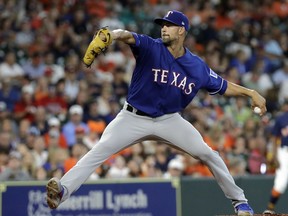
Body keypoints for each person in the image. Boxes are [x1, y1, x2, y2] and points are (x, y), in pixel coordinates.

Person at [46, 10, 266, 216]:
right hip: (132, 117)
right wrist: (112, 35)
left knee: (208, 154)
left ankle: (240, 202)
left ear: (182, 30)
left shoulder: (196, 66)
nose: (163, 29)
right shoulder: (151, 46)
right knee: (99, 150)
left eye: (169, 25)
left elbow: (224, 86)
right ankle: (63, 191)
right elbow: (128, 36)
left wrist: (250, 93)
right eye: (162, 25)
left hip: (168, 120)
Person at [263, 99, 288, 215]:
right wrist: (275, 155)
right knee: (281, 183)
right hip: (284, 151)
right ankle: (270, 207)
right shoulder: (281, 118)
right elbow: (274, 137)